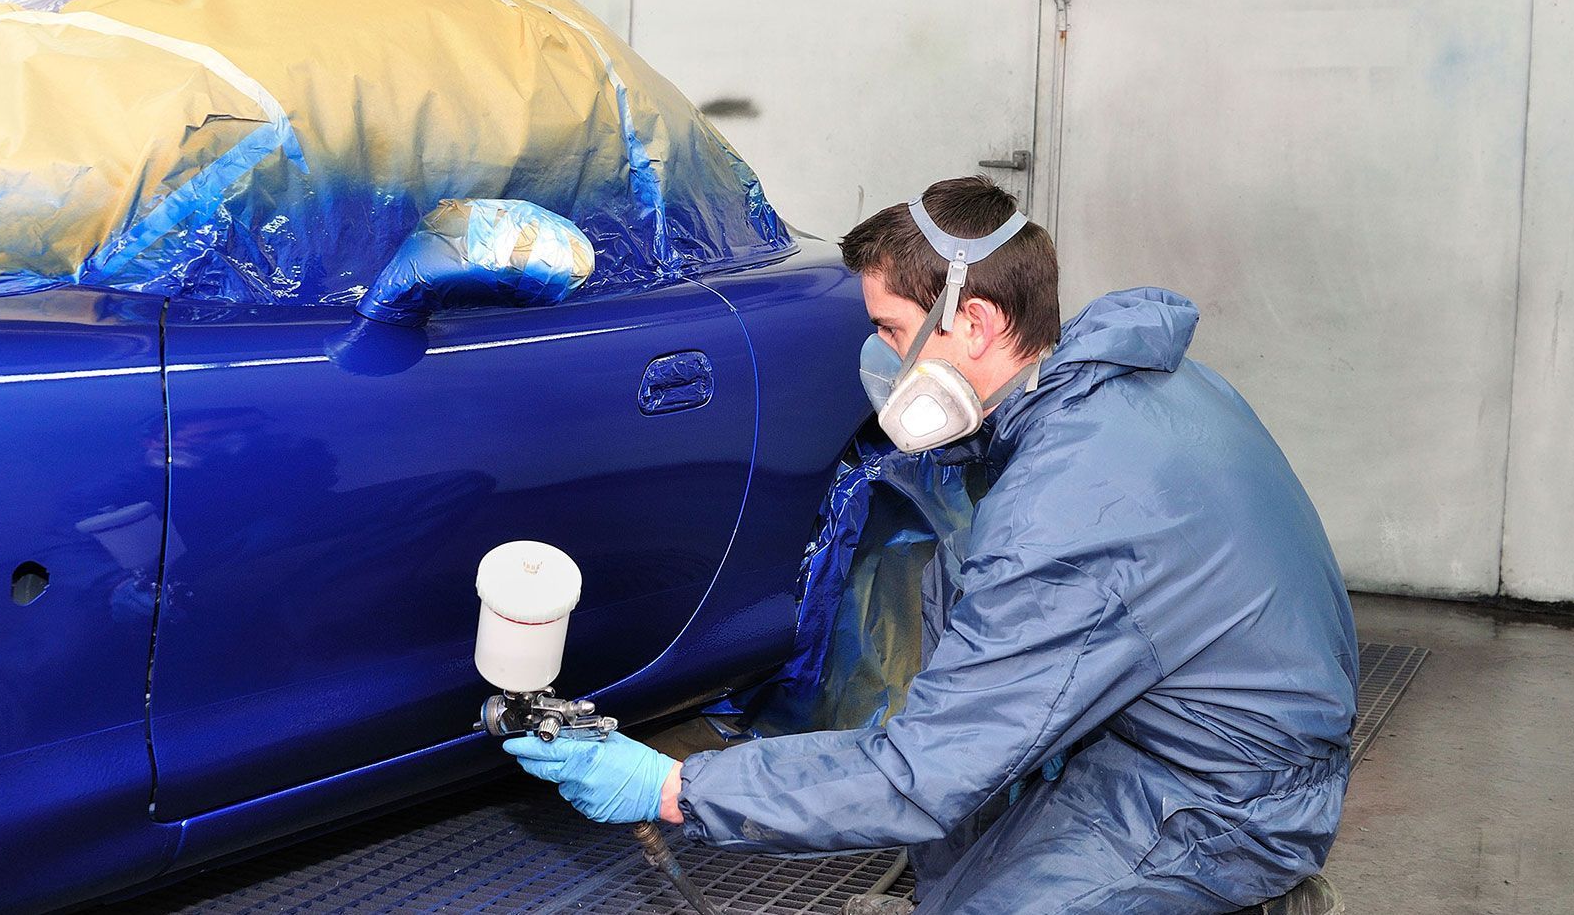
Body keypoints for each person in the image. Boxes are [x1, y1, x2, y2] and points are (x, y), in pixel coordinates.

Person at [507, 176, 1358, 914]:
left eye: (887, 328)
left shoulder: (1070, 507)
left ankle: (1244, 894)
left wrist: (671, 786)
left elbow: (920, 774)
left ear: (976, 322)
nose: (878, 360)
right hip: (1162, 732)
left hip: (1220, 800)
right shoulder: (1134, 391)